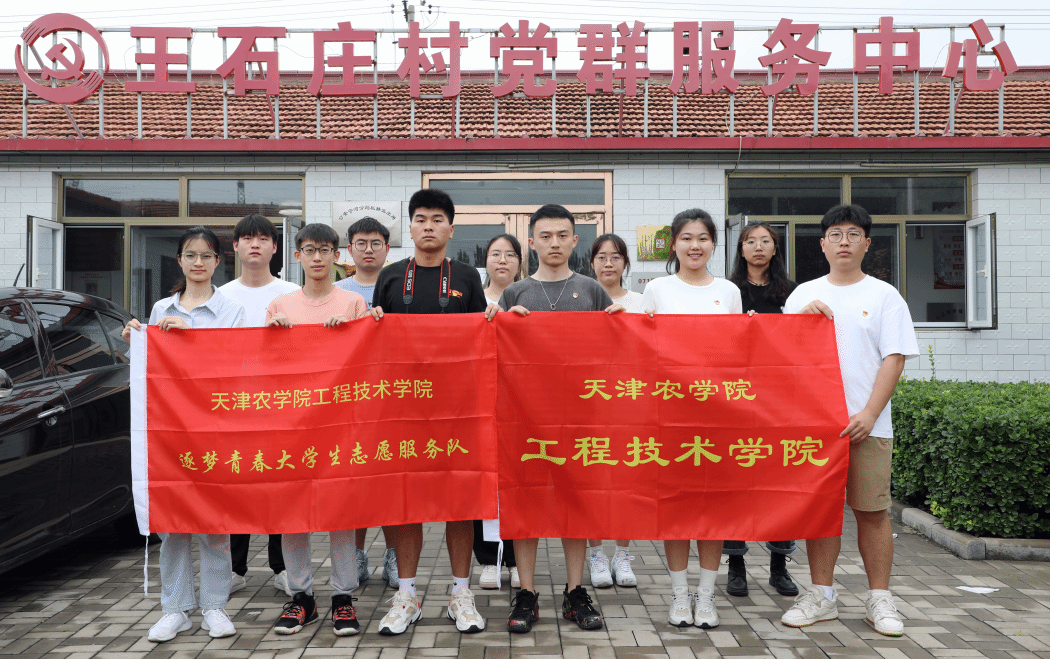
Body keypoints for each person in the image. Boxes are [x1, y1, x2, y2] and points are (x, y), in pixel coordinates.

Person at [781, 204, 918, 637]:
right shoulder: (802, 295)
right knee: (821, 513)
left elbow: (894, 359)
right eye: (836, 235)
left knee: (872, 513)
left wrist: (870, 413)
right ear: (822, 244)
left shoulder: (884, 296)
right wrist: (798, 323)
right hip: (814, 426)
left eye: (853, 234)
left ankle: (880, 599)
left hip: (867, 425)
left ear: (867, 244)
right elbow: (779, 359)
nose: (844, 242)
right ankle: (821, 595)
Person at [370, 188, 500, 635]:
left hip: (457, 409)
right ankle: (406, 595)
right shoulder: (391, 276)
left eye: (437, 219)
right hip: (402, 409)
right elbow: (374, 340)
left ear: (451, 228)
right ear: (409, 227)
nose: (429, 226)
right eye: (421, 219)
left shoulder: (465, 275)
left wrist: (494, 320)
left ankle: (460, 593)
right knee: (405, 500)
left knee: (459, 500)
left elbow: (483, 338)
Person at [501, 204, 625, 634]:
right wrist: (502, 323)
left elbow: (616, 349)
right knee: (526, 500)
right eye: (545, 236)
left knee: (575, 501)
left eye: (562, 235)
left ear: (575, 240)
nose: (554, 243)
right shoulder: (515, 294)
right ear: (531, 242)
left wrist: (624, 325)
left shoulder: (592, 290)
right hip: (525, 417)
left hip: (580, 416)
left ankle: (575, 591)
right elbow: (497, 352)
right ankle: (527, 591)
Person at [122, 226, 246, 643]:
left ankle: (214, 605)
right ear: (179, 260)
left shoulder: (232, 310)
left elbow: (237, 364)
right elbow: (147, 369)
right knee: (172, 524)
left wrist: (189, 339)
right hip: (171, 430)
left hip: (215, 427)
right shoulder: (161, 308)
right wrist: (136, 340)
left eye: (206, 255)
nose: (198, 262)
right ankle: (175, 609)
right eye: (190, 255)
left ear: (218, 262)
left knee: (214, 524)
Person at [265, 223, 370, 638]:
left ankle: (343, 596)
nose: (317, 258)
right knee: (294, 512)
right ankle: (301, 597)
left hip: (340, 424)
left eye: (325, 250)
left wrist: (354, 331)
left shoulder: (353, 302)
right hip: (292, 424)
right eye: (309, 250)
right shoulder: (280, 305)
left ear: (336, 255)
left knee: (340, 510)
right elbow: (265, 366)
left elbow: (369, 363)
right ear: (297, 256)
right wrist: (273, 336)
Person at [641, 209, 741, 630]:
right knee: (676, 507)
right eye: (686, 238)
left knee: (712, 508)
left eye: (702, 238)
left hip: (717, 416)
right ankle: (679, 593)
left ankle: (707, 594)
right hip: (670, 416)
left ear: (713, 244)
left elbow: (740, 354)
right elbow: (641, 349)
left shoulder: (729, 291)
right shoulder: (656, 289)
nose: (694, 245)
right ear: (674, 244)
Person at [218, 214, 299, 598]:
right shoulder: (220, 296)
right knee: (238, 486)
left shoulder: (291, 294)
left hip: (282, 406)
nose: (255, 244)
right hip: (234, 407)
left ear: (274, 246)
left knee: (280, 485)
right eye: (247, 238)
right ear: (235, 246)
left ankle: (282, 567)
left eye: (262, 238)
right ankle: (234, 568)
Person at [722, 222, 800, 598]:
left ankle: (779, 566)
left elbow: (802, 340)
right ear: (740, 249)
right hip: (735, 398)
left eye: (765, 241)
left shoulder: (793, 292)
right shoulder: (727, 291)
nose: (757, 247)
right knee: (736, 483)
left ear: (774, 248)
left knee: (778, 481)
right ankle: (735, 564)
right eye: (750, 241)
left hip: (779, 398)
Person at [334, 217, 400, 590]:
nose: (369, 249)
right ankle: (356, 555)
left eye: (376, 243)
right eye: (361, 243)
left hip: (392, 398)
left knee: (389, 482)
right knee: (354, 481)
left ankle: (394, 555)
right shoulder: (337, 290)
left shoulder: (399, 285)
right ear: (349, 250)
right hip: (350, 401)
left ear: (387, 248)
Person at [585, 233, 641, 588]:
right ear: (592, 262)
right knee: (592, 479)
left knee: (626, 481)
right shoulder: (581, 297)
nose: (609, 263)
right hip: (589, 402)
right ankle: (596, 554)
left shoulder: (640, 301)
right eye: (602, 257)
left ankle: (622, 553)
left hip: (630, 402)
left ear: (625, 263)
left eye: (616, 257)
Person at [474, 233, 523, 590]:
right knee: (483, 481)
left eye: (510, 254)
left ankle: (519, 559)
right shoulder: (471, 299)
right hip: (479, 402)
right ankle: (489, 559)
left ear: (520, 262)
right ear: (486, 261)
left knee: (519, 481)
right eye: (495, 254)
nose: (502, 260)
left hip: (521, 404)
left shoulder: (529, 297)